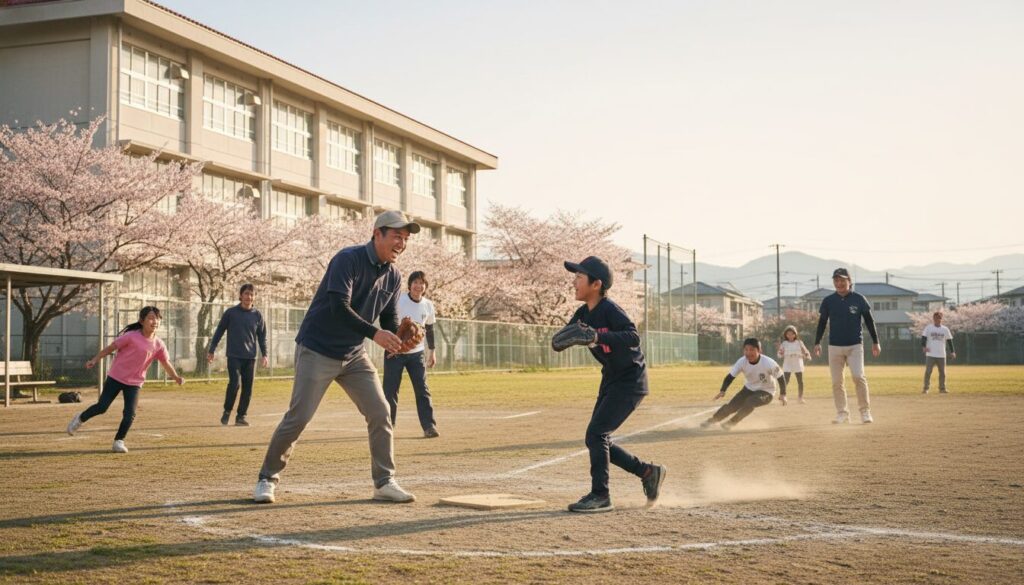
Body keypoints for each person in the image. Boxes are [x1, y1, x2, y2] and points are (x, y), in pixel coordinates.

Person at [253, 210, 420, 505]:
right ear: (377, 233)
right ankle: (267, 478)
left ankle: (384, 482)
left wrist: (397, 336)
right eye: (396, 236)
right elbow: (338, 306)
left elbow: (389, 317)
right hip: (318, 348)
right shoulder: (348, 259)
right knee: (299, 417)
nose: (401, 243)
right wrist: (376, 335)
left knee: (380, 412)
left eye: (405, 239)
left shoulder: (394, 275)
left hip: (354, 355)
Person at [561, 256, 666, 513]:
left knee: (596, 435)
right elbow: (561, 339)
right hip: (611, 378)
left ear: (596, 284)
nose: (574, 282)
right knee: (596, 437)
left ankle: (601, 495)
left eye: (579, 277)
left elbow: (632, 336)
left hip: (631, 380)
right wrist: (565, 337)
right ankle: (647, 472)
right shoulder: (583, 313)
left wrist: (598, 335)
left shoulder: (610, 309)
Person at [66, 306, 184, 452]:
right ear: (142, 321)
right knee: (102, 407)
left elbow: (166, 363)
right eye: (151, 318)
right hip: (116, 377)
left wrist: (176, 377)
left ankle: (118, 441)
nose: (155, 321)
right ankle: (80, 418)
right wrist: (95, 360)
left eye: (158, 318)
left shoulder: (159, 344)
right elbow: (111, 348)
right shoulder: (131, 336)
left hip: (134, 383)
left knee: (130, 414)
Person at [813, 268, 881, 424]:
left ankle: (865, 412)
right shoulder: (828, 301)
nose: (839, 283)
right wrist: (817, 342)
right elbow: (822, 322)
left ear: (849, 281)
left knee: (858, 376)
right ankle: (842, 413)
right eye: (836, 280)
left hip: (855, 346)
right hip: (834, 347)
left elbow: (869, 321)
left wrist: (876, 341)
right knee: (837, 382)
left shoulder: (859, 299)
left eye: (842, 280)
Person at [382, 271, 439, 438]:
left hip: (417, 354)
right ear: (410, 285)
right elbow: (387, 320)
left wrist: (432, 352)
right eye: (415, 282)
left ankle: (429, 427)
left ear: (425, 287)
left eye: (422, 283)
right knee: (390, 390)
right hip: (395, 351)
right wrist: (395, 341)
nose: (418, 286)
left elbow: (429, 329)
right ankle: (388, 425)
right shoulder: (399, 299)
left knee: (422, 389)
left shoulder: (428, 305)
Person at [207, 283, 269, 426]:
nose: (249, 297)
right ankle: (227, 411)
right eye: (246, 294)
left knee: (248, 387)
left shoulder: (258, 315)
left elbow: (262, 337)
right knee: (234, 384)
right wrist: (212, 349)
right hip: (234, 356)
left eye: (252, 294)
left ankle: (241, 416)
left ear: (254, 297)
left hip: (250, 358)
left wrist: (265, 354)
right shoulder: (231, 313)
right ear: (241, 296)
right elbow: (219, 331)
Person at [701, 338, 787, 430]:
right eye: (746, 350)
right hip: (748, 389)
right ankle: (712, 420)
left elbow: (780, 377)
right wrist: (723, 390)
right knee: (732, 406)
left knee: (750, 402)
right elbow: (730, 377)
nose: (749, 353)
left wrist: (783, 394)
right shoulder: (741, 362)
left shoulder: (769, 362)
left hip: (767, 392)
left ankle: (731, 423)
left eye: (752, 350)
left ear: (759, 350)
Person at [921, 312, 956, 394]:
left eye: (939, 318)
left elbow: (949, 341)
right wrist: (923, 347)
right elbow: (923, 338)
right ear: (933, 319)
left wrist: (952, 351)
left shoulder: (945, 329)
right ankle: (926, 388)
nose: (938, 320)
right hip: (931, 354)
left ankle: (942, 388)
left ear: (941, 319)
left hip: (941, 354)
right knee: (928, 371)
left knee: (943, 373)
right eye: (936, 318)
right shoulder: (928, 328)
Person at [777, 325, 811, 403]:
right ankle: (783, 395)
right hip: (787, 362)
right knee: (786, 380)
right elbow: (779, 354)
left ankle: (800, 398)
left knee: (800, 381)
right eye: (788, 334)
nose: (790, 335)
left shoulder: (799, 342)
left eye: (792, 334)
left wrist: (807, 355)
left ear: (795, 334)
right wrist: (781, 353)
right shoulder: (784, 343)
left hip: (797, 362)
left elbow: (805, 351)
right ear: (786, 335)